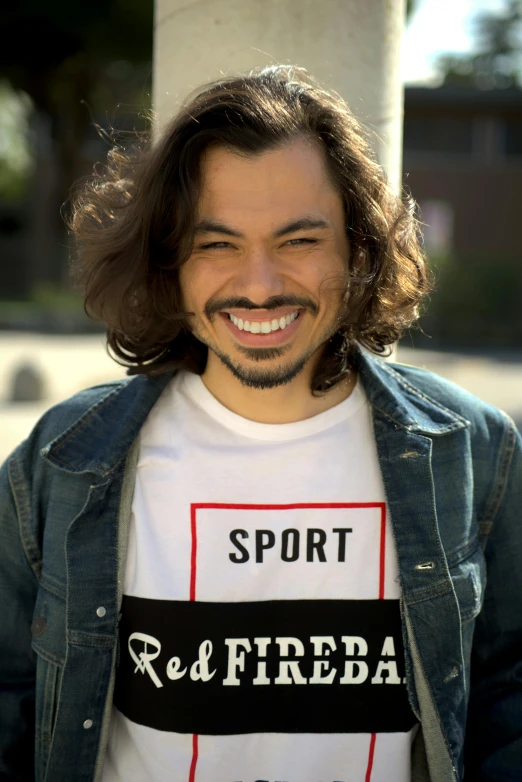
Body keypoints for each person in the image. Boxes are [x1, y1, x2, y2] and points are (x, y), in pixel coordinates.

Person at [0, 65, 520, 782]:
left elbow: (508, 700)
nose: (260, 283)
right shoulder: (62, 461)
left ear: (358, 248)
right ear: (168, 263)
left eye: (300, 241)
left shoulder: (474, 454)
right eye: (217, 244)